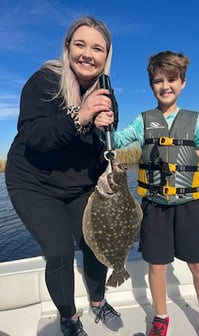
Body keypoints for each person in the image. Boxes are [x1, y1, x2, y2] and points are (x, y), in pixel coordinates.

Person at [5, 16, 123, 336]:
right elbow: (35, 137)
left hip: (79, 184)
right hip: (33, 182)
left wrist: (103, 135)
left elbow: (104, 150)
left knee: (96, 243)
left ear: (106, 55)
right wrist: (81, 115)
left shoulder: (106, 93)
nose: (88, 54)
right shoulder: (44, 82)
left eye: (97, 48)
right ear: (68, 47)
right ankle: (69, 317)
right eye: (80, 44)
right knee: (59, 251)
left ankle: (98, 302)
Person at [95, 50, 199, 336]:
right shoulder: (143, 121)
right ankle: (161, 317)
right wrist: (104, 125)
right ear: (151, 85)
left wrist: (186, 155)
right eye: (158, 81)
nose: (165, 86)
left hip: (188, 204)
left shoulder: (195, 120)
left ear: (183, 83)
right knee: (157, 267)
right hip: (153, 206)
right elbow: (116, 140)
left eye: (172, 80)